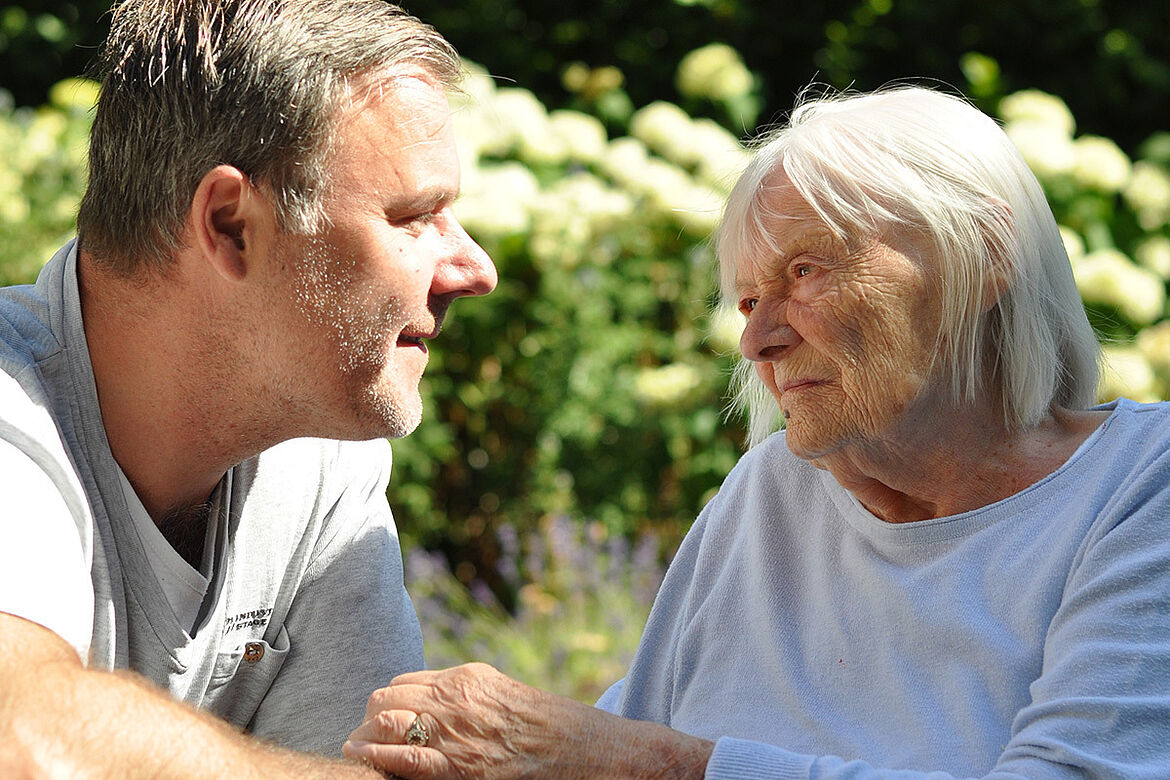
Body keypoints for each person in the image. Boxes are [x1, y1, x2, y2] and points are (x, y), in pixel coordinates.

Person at [344, 86, 1170, 779]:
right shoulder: (774, 490)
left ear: (987, 252)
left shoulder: (1139, 484)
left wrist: (640, 763)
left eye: (806, 272)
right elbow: (618, 736)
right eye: (747, 302)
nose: (757, 339)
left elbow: (625, 754)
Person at [0, 0, 496, 775]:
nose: (475, 270)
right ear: (231, 224)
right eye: (416, 216)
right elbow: (21, 738)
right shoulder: (11, 408)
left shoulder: (325, 454)